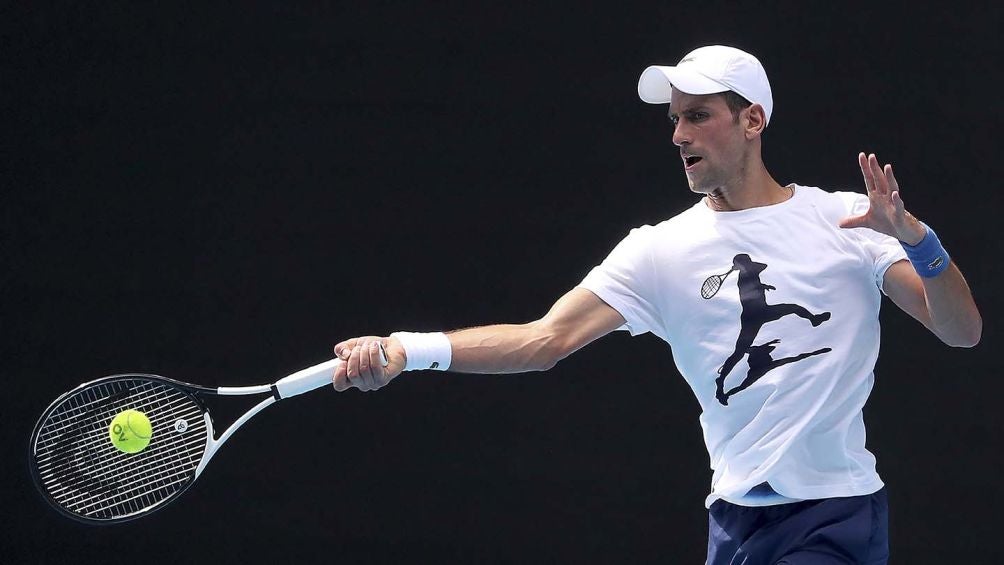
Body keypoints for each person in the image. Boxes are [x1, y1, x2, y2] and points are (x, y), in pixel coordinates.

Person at [329, 45, 982, 564]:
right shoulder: (658, 251)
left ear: (752, 119)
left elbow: (961, 330)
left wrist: (917, 239)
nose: (677, 134)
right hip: (733, 522)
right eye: (674, 117)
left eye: (697, 114)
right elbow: (542, 340)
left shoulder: (848, 221)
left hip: (835, 517)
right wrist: (403, 350)